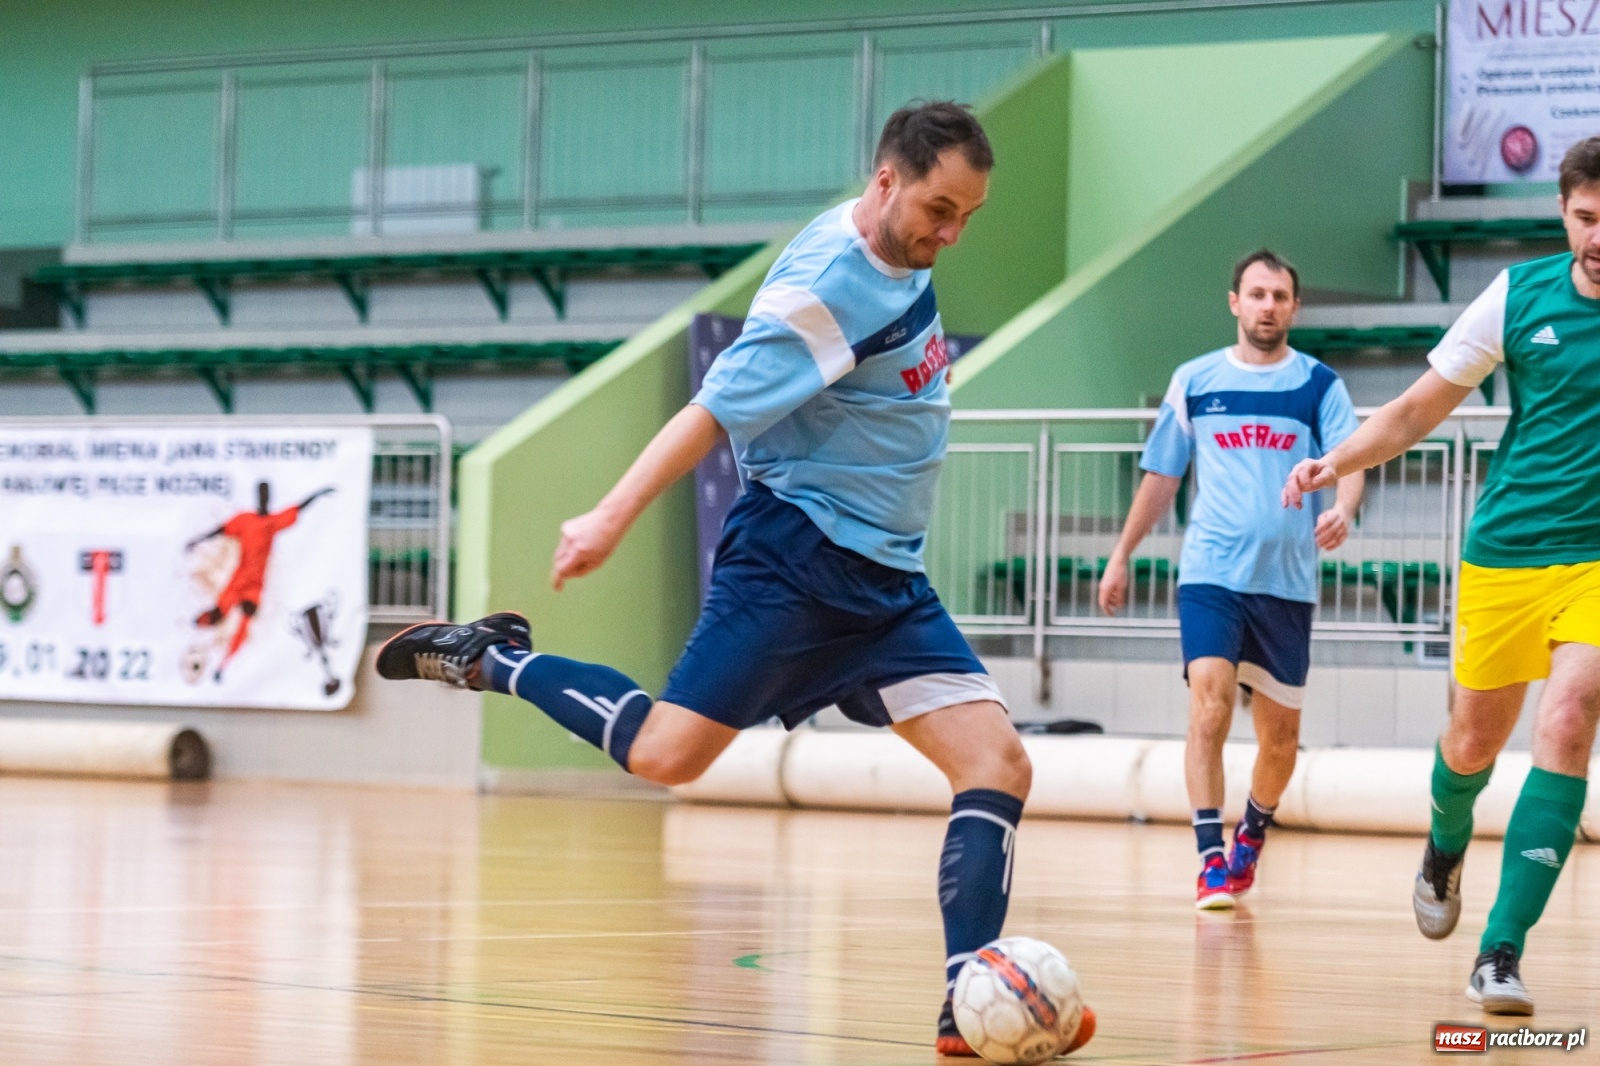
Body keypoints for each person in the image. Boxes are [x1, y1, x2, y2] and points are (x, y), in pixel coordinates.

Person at [377, 102, 1095, 1058]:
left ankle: (967, 1002)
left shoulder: (890, 244)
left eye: (969, 214)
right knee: (665, 758)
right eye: (938, 208)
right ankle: (493, 659)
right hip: (795, 565)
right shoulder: (826, 292)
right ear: (886, 182)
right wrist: (608, 516)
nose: (951, 233)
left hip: (886, 580)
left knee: (998, 764)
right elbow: (709, 411)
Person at [1283, 135, 1600, 1017]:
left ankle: (1501, 951)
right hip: (1508, 550)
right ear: (1565, 213)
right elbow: (1420, 405)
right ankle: (1444, 838)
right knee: (1471, 744)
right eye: (1586, 217)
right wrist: (1332, 459)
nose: (1599, 235)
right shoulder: (1520, 294)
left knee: (1570, 719)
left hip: (1599, 561)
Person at [1099, 250, 1364, 910]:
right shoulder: (1193, 380)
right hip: (1211, 572)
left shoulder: (1319, 385)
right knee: (1209, 702)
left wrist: (1342, 508)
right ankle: (1209, 858)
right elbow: (1162, 477)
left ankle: (1251, 832)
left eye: (1279, 295)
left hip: (1287, 582)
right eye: (1257, 293)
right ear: (1234, 303)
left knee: (1279, 741)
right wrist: (1122, 553)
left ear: (1294, 307)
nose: (1268, 305)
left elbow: (1351, 458)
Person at [187, 481, 332, 681]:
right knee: (217, 616)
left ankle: (224, 665)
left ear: (269, 497)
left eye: (266, 494)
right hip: (237, 581)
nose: (264, 498)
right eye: (261, 494)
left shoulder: (273, 522)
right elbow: (221, 529)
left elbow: (298, 508)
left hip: (254, 586)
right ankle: (199, 641)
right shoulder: (244, 520)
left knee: (244, 624)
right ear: (258, 496)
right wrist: (198, 540)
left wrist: (318, 494)